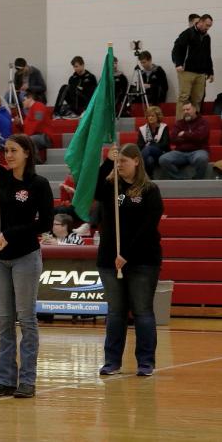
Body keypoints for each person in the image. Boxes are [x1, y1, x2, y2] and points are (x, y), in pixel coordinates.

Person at [0, 134, 54, 399]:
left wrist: (11, 234)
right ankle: (5, 379)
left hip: (25, 257)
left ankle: (27, 381)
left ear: (26, 153)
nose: (8, 155)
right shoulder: (1, 182)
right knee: (4, 321)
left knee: (26, 319)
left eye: (13, 150)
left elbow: (45, 223)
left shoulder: (39, 184)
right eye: (6, 151)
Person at [95, 143, 163, 377]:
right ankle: (112, 361)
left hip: (142, 260)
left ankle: (146, 362)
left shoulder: (150, 190)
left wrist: (127, 255)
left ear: (136, 161)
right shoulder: (110, 186)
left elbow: (147, 227)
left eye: (123, 161)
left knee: (142, 311)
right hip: (109, 260)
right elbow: (95, 194)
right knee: (115, 312)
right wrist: (107, 162)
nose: (120, 165)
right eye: (117, 161)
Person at [172, 14, 214, 119]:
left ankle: (195, 123)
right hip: (186, 71)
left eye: (210, 26)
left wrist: (210, 71)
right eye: (207, 25)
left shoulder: (207, 37)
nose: (208, 28)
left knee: (197, 99)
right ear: (200, 22)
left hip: (201, 73)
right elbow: (177, 48)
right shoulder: (188, 33)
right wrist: (178, 63)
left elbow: (208, 55)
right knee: (184, 97)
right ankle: (180, 123)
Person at [158, 102, 210, 179]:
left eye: (188, 109)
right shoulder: (179, 123)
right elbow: (173, 138)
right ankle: (180, 178)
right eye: (184, 110)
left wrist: (184, 134)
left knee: (202, 159)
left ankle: (197, 180)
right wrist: (191, 136)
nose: (185, 112)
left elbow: (200, 136)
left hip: (198, 150)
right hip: (180, 152)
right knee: (163, 159)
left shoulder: (203, 122)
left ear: (195, 109)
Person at [14, 91, 53, 162]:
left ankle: (37, 162)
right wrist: (18, 124)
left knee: (28, 140)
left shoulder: (39, 106)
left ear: (30, 98)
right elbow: (26, 127)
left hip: (44, 137)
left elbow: (38, 121)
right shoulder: (30, 112)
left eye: (24, 100)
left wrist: (26, 136)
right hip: (37, 136)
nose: (23, 102)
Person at [137, 106, 169, 177]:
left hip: (161, 153)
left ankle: (138, 172)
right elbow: (140, 145)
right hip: (147, 154)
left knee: (148, 148)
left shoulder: (164, 127)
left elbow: (165, 144)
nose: (150, 118)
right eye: (148, 116)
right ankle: (149, 178)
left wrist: (152, 146)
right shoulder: (143, 129)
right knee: (149, 160)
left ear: (158, 117)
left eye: (152, 116)